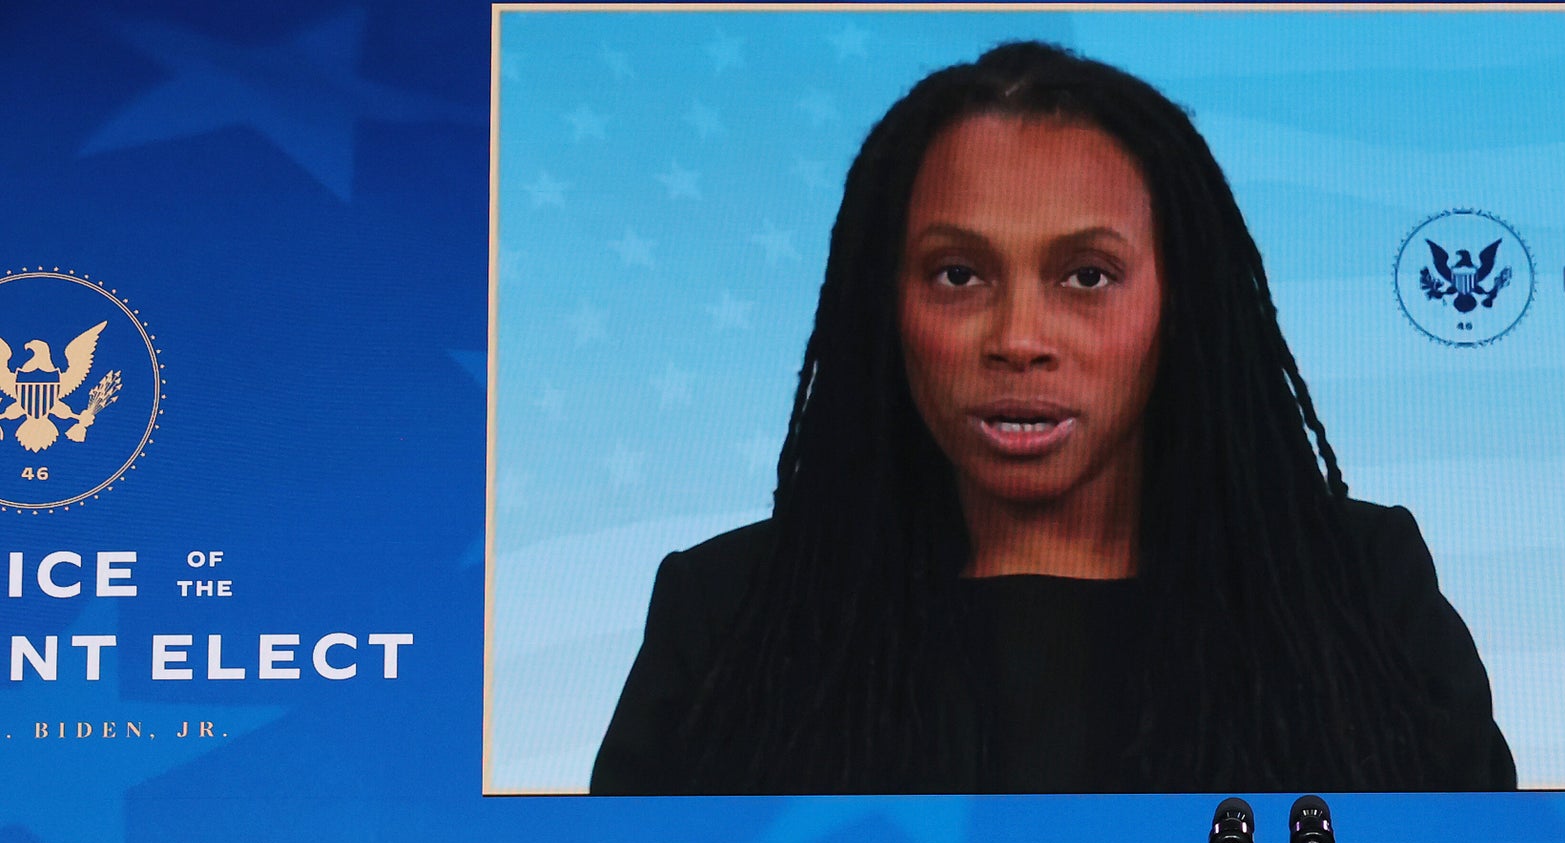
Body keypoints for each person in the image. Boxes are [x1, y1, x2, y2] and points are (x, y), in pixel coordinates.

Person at [592, 40, 1514, 796]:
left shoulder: (1355, 592)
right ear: (887, 304)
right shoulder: (728, 612)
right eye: (958, 275)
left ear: (1179, 304)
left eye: (1087, 276)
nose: (1019, 339)